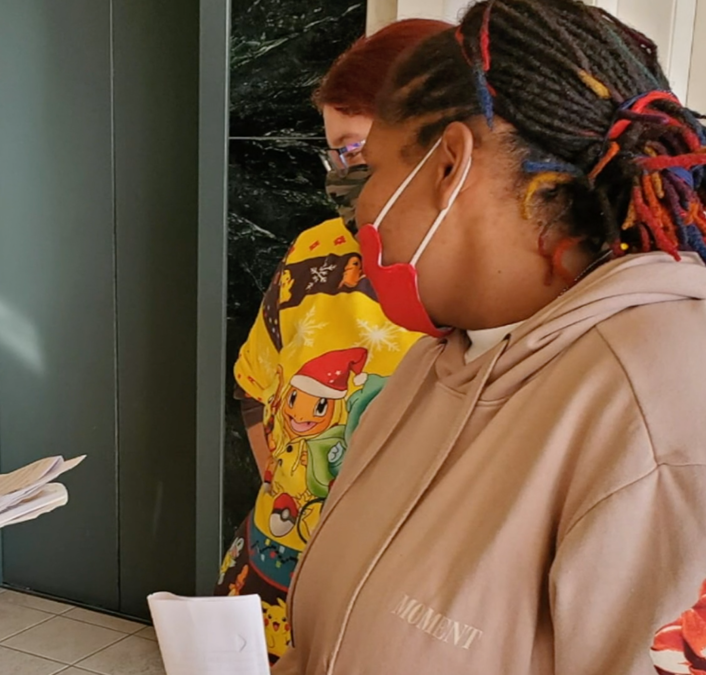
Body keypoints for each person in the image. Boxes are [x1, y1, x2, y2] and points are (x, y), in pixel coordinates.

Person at [271, 1, 706, 673]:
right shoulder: (437, 362)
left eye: (373, 169)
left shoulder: (655, 407)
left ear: (448, 165)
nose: (358, 204)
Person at [215, 18, 449, 665]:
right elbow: (254, 386)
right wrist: (292, 493)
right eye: (334, 155)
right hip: (273, 579)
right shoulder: (313, 255)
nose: (341, 177)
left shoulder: (474, 300)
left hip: (393, 610)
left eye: (354, 150)